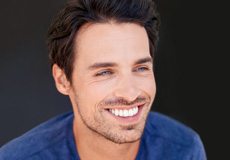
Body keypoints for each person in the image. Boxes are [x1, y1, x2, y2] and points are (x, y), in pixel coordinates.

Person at [0, 0, 206, 159]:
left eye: (141, 68)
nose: (130, 93)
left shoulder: (183, 149)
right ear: (63, 80)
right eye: (105, 72)